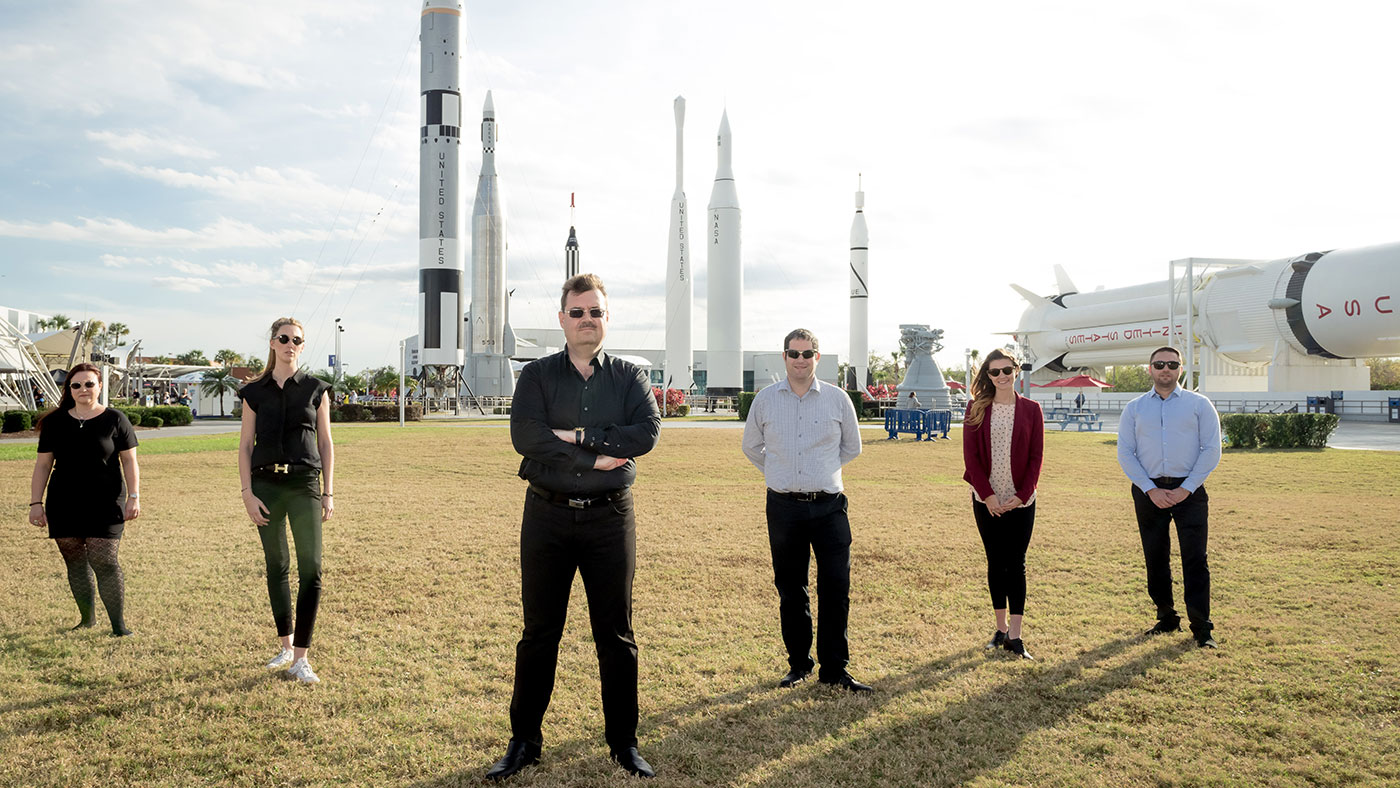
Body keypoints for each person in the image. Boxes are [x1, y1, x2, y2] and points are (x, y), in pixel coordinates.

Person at [486, 273, 661, 781]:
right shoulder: (538, 376)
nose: (588, 320)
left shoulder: (629, 377)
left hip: (610, 519)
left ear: (607, 318)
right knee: (540, 633)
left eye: (596, 312)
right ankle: (524, 743)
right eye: (578, 312)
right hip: (547, 516)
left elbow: (646, 433)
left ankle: (623, 743)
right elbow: (526, 436)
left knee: (617, 634)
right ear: (562, 319)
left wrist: (578, 436)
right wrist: (601, 451)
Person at [742, 329, 870, 692]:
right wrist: (781, 472)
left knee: (835, 588)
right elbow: (752, 446)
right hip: (783, 508)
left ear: (818, 357)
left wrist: (819, 471)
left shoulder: (837, 399)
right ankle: (799, 665)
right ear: (784, 357)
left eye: (807, 353)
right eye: (794, 353)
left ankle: (834, 669)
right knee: (791, 588)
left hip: (830, 507)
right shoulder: (766, 400)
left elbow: (852, 448)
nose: (800, 360)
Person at [236, 317, 335, 684]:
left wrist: (328, 491)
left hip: (305, 483)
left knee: (312, 568)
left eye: (297, 340)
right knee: (277, 564)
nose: (290, 344)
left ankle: (301, 658)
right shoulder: (255, 391)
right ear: (273, 343)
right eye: (284, 338)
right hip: (266, 487)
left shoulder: (316, 389)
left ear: (302, 346)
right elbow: (246, 446)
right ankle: (285, 644)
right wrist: (247, 494)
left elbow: (325, 443)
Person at [1117, 346, 1221, 649]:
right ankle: (1166, 617)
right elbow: (1125, 451)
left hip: (1189, 492)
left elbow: (1211, 449)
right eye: (1159, 364)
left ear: (1181, 369)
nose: (1166, 369)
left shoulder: (1199, 405)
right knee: (1155, 556)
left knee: (1195, 558)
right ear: (1149, 369)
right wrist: (1150, 489)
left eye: (1172, 364)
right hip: (1148, 490)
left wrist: (1185, 489)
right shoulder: (1135, 408)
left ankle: (1202, 628)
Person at [28, 362, 140, 636]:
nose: (83, 389)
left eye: (89, 384)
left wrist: (134, 496)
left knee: (105, 561)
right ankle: (86, 619)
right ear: (69, 389)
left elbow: (130, 461)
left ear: (100, 386)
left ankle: (118, 626)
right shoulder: (54, 422)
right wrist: (35, 503)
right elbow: (43, 466)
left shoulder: (115, 419)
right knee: (75, 562)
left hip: (106, 502)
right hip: (63, 502)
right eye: (76, 385)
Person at [961, 349, 1043, 660]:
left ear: (1016, 370)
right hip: (987, 499)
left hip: (1022, 501)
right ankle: (1000, 628)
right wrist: (990, 496)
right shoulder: (976, 408)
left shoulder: (1032, 410)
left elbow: (1036, 457)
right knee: (996, 561)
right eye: (995, 372)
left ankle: (1016, 636)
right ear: (988, 376)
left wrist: (1022, 495)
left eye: (1007, 370)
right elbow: (972, 458)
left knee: (1017, 563)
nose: (1002, 376)